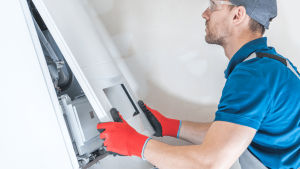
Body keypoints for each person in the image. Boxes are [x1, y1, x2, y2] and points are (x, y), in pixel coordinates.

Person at [97, 0, 300, 168]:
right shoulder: (273, 64)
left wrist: (137, 145)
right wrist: (172, 127)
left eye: (213, 5)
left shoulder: (252, 76)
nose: (205, 13)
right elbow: (232, 134)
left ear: (237, 15)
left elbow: (211, 162)